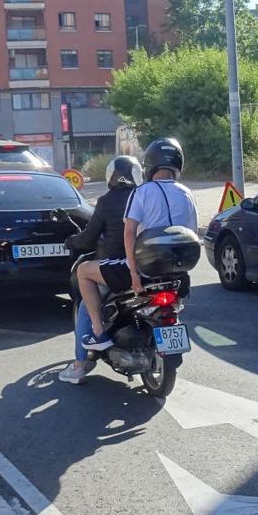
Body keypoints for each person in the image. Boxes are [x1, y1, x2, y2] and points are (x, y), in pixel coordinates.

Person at [59, 155, 143, 385]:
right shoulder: (144, 196)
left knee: (87, 305)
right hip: (147, 267)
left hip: (113, 269)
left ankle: (79, 366)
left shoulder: (107, 201)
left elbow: (89, 237)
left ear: (111, 176)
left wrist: (72, 242)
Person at [123, 138, 199, 295]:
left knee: (85, 272)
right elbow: (192, 232)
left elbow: (129, 233)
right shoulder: (187, 193)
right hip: (179, 269)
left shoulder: (141, 192)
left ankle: (97, 321)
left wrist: (134, 275)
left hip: (147, 267)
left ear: (149, 163)